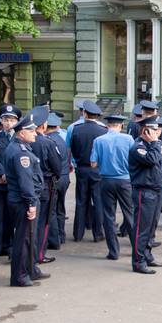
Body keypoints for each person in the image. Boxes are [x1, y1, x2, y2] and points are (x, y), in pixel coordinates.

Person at [4, 114, 49, 287]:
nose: (35, 134)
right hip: (23, 201)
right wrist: (31, 203)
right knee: (23, 239)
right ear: (22, 133)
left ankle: (30, 269)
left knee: (29, 238)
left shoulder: (21, 148)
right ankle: (19, 276)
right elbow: (25, 181)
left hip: (22, 199)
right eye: (32, 131)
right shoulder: (20, 153)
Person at [128, 116, 162, 274]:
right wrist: (154, 142)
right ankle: (138, 262)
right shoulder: (139, 147)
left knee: (151, 227)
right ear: (145, 130)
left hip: (155, 189)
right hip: (144, 191)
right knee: (142, 228)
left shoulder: (153, 145)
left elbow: (159, 164)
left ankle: (147, 255)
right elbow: (152, 160)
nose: (158, 132)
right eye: (154, 130)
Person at [90, 115, 135, 260]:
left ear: (107, 125)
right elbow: (134, 160)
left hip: (106, 181)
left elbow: (93, 164)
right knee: (129, 214)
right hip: (125, 181)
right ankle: (136, 248)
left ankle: (114, 252)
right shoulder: (128, 139)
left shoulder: (98, 140)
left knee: (109, 216)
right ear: (121, 125)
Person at [0, 105, 21, 263]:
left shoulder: (19, 137)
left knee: (11, 217)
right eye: (6, 119)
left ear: (17, 121)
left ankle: (10, 247)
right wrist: (2, 173)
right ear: (1, 121)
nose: (8, 123)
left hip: (13, 184)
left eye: (12, 120)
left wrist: (9, 176)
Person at [70, 100, 107, 242]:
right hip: (97, 170)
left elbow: (72, 149)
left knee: (81, 201)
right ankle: (98, 234)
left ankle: (78, 234)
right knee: (98, 201)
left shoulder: (76, 129)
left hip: (82, 169)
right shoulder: (103, 130)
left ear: (84, 113)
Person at [29, 106, 62, 265]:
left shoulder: (23, 141)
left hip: (29, 185)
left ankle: (30, 254)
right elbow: (57, 167)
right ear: (43, 126)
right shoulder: (48, 142)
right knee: (43, 222)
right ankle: (39, 254)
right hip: (46, 185)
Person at [45, 112, 71, 247]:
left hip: (55, 179)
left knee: (52, 210)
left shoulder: (48, 141)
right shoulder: (62, 139)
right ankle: (61, 235)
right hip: (65, 177)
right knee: (60, 207)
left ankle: (54, 240)